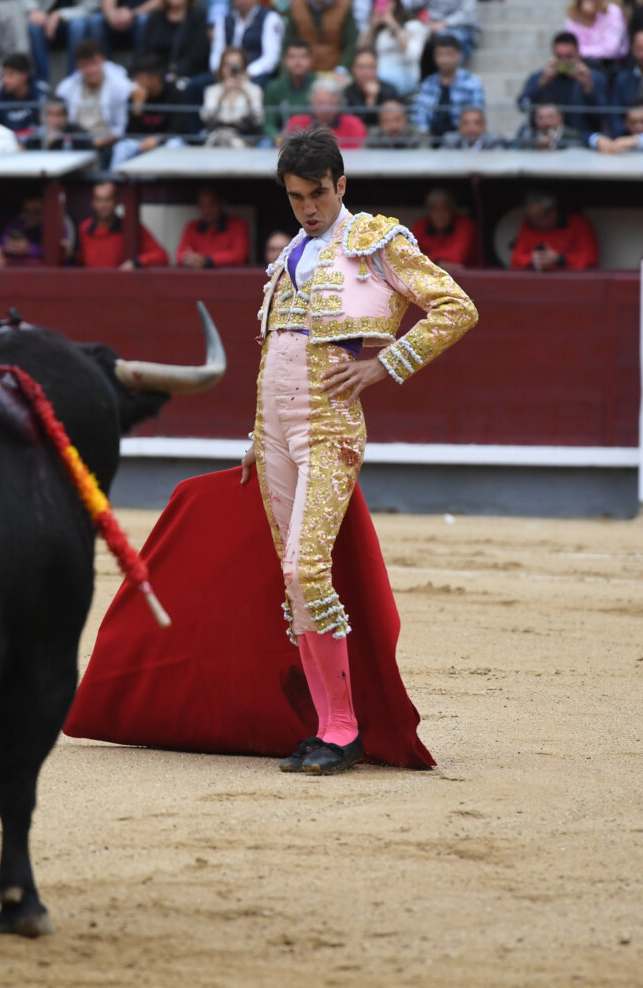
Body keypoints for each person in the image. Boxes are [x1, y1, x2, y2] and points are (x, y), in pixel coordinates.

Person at [240, 125, 476, 773]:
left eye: (317, 194)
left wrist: (383, 365)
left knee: (306, 571)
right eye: (296, 197)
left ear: (341, 185)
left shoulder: (375, 240)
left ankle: (343, 731)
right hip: (275, 431)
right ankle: (325, 727)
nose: (308, 208)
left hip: (328, 427)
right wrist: (257, 434)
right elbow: (277, 350)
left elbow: (456, 308)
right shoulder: (291, 253)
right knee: (292, 580)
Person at [516, 31, 606, 141]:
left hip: (582, 137)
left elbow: (603, 115)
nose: (564, 62)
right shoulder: (540, 77)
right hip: (545, 137)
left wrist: (587, 87)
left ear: (578, 54)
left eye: (569, 57)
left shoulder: (594, 78)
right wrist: (542, 82)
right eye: (559, 57)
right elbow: (522, 105)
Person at [54, 39, 131, 164]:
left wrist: (97, 143)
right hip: (74, 144)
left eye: (94, 63)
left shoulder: (120, 87)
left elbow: (120, 127)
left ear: (103, 60)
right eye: (85, 65)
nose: (91, 70)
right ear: (77, 66)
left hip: (107, 146)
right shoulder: (66, 88)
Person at [111, 52, 186, 165]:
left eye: (141, 77)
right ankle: (112, 177)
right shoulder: (135, 96)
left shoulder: (175, 94)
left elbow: (179, 129)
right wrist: (137, 109)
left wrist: (158, 139)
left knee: (175, 145)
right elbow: (130, 134)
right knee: (122, 148)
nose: (136, 81)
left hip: (165, 141)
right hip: (141, 142)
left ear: (155, 79)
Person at [73, 179, 168, 268]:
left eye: (108, 199)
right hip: (92, 280)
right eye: (99, 200)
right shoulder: (84, 229)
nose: (103, 205)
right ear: (93, 203)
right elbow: (80, 262)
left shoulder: (129, 227)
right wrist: (69, 255)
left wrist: (135, 262)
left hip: (120, 280)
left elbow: (161, 255)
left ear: (116, 201)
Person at [409, 34, 483, 143]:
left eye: (449, 54)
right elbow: (419, 118)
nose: (444, 60)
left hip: (461, 141)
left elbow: (475, 117)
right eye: (440, 55)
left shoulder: (472, 83)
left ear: (459, 55)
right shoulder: (427, 84)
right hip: (430, 139)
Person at [509, 189, 599, 272]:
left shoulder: (578, 224)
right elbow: (516, 259)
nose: (535, 223)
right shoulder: (529, 225)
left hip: (569, 281)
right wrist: (533, 260)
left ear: (553, 212)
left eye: (539, 218)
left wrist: (560, 260)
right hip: (536, 280)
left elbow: (590, 259)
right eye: (531, 218)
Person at [359, 0, 427, 97]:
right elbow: (360, 54)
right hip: (374, 73)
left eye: (386, 3)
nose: (382, 8)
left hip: (404, 73)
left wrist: (393, 25)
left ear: (395, 4)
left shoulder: (413, 26)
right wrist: (371, 28)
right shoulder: (374, 28)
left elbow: (411, 56)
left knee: (376, 83)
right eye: (378, 3)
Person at [200, 44, 264, 146]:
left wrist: (245, 93)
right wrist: (222, 94)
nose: (232, 69)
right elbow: (206, 117)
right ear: (222, 68)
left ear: (244, 67)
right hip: (217, 138)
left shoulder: (254, 90)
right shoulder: (212, 91)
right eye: (228, 65)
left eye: (236, 64)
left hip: (244, 140)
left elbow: (258, 119)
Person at [209, 0, 283, 86]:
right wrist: (220, 70)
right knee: (198, 85)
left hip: (256, 74)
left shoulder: (270, 18)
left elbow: (271, 58)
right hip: (225, 72)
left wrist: (248, 72)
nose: (242, 1)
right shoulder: (224, 20)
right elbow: (217, 51)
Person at [282, 76, 367, 149]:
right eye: (320, 102)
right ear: (311, 102)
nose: (326, 108)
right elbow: (281, 147)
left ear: (339, 104)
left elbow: (360, 153)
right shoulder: (296, 123)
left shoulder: (353, 125)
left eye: (331, 103)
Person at [175, 185, 248, 267]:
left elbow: (239, 255)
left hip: (229, 275)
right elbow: (180, 255)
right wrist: (189, 258)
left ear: (222, 203)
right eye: (202, 205)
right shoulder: (192, 227)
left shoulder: (238, 225)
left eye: (212, 204)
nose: (207, 210)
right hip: (199, 275)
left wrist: (207, 260)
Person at [408, 187, 477, 270]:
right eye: (434, 209)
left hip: (464, 277)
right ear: (429, 212)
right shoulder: (420, 226)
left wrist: (428, 258)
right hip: (426, 275)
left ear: (452, 210)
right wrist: (438, 262)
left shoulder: (465, 225)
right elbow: (409, 256)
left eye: (445, 208)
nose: (440, 214)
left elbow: (456, 257)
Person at [282, 0, 359, 74]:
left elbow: (351, 42)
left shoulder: (344, 6)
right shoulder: (296, 5)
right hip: (303, 72)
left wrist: (342, 68)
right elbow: (287, 41)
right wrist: (287, 69)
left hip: (335, 70)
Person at [262, 39, 313, 138]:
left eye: (303, 57)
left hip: (312, 137)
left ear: (310, 60)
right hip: (282, 138)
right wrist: (278, 138)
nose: (298, 62)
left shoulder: (320, 86)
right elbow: (269, 124)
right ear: (285, 60)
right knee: (264, 143)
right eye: (292, 57)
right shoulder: (273, 87)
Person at [565, 0, 628, 78]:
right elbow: (571, 47)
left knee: (590, 76)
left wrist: (579, 51)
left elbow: (611, 49)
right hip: (582, 62)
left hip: (610, 64)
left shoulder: (612, 11)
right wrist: (586, 19)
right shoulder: (574, 15)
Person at [341, 46, 398, 126]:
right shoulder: (346, 94)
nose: (366, 72)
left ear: (377, 68)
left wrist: (373, 99)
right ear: (352, 69)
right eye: (361, 67)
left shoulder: (389, 91)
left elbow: (393, 124)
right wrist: (370, 101)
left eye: (371, 67)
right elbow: (353, 126)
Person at [0, 51, 43, 136]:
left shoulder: (41, 96)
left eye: (11, 75)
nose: (5, 80)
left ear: (24, 76)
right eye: (4, 75)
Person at [22, 95, 93, 148]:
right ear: (40, 116)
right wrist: (46, 144)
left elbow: (90, 156)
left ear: (66, 116)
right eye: (49, 115)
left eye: (59, 115)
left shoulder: (77, 134)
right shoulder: (35, 137)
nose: (54, 120)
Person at [608, 29, 643, 135]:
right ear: (632, 50)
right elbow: (615, 115)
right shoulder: (623, 79)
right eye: (639, 49)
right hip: (626, 137)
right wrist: (623, 136)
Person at [512, 102, 583, 150]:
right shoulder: (529, 135)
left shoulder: (572, 135)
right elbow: (519, 152)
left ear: (560, 117)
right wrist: (537, 147)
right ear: (534, 120)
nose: (546, 122)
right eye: (540, 118)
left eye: (550, 117)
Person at [439, 105, 505, 149]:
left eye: (476, 123)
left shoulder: (494, 143)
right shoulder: (450, 143)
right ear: (459, 126)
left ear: (483, 126)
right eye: (466, 123)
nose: (471, 127)